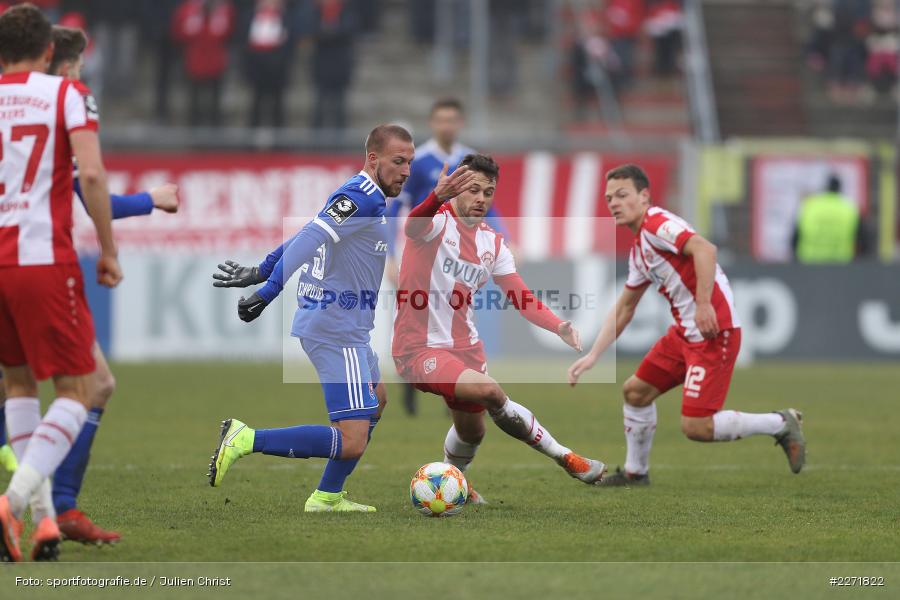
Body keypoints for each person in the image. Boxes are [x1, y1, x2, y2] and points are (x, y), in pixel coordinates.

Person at [208, 125, 445, 513]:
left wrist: (263, 269)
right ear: (373, 159)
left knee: (378, 400)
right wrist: (268, 291)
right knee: (351, 439)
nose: (406, 171)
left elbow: (311, 230)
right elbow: (310, 240)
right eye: (398, 162)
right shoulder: (361, 197)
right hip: (337, 328)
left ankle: (327, 497)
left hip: (345, 326)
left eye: (410, 163)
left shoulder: (362, 194)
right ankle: (246, 438)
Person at [568, 164, 805, 487]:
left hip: (713, 332)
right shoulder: (639, 250)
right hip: (684, 335)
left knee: (697, 427)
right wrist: (594, 355)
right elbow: (625, 306)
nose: (614, 203)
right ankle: (636, 473)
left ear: (644, 196)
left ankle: (779, 423)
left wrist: (704, 304)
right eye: (609, 198)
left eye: (622, 195)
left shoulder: (657, 223)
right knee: (635, 392)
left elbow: (704, 249)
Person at [392, 153, 607, 501]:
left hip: (467, 348)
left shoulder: (493, 243)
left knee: (472, 432)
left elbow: (521, 298)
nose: (480, 199)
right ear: (456, 189)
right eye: (473, 190)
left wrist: (558, 326)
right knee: (491, 392)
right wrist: (436, 197)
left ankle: (453, 483)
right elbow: (412, 225)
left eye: (487, 192)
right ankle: (566, 457)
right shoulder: (436, 222)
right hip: (420, 348)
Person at [0, 3, 122, 563]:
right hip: (41, 259)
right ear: (49, 50)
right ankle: (13, 503)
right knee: (78, 389)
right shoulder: (66, 94)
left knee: (19, 386)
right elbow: (91, 174)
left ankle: (43, 522)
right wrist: (109, 249)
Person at [385, 97, 507, 416]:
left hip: (458, 253)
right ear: (432, 123)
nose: (447, 125)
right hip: (422, 252)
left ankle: (454, 392)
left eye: (452, 119)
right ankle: (410, 388)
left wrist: (505, 240)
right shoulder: (420, 161)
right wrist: (390, 255)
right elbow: (397, 208)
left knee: (458, 314)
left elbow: (488, 207)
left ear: (460, 123)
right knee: (416, 317)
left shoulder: (469, 161)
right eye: (441, 119)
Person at [792, 173, 862, 264]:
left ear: (824, 188)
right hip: (840, 263)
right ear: (839, 189)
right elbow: (862, 239)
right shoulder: (849, 208)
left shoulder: (809, 206)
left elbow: (795, 237)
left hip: (809, 262)